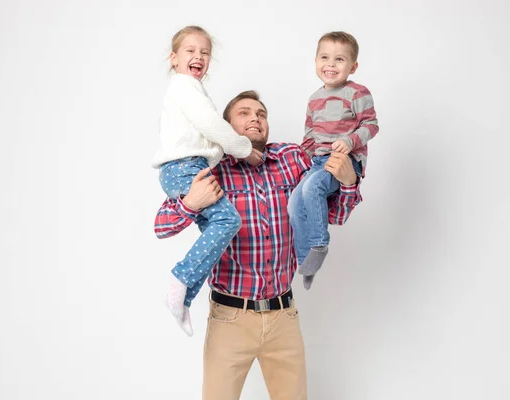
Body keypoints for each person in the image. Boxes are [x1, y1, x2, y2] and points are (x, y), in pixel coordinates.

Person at [154, 90, 362, 399]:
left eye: (261, 114)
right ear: (224, 127)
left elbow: (333, 215)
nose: (255, 118)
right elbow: (162, 227)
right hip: (230, 318)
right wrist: (190, 203)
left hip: (283, 316)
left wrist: (347, 183)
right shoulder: (211, 169)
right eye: (244, 113)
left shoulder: (292, 159)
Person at [152, 26, 261, 336]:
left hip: (188, 167)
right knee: (228, 220)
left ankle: (183, 297)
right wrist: (243, 148)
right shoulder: (184, 86)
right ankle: (179, 280)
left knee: (217, 231)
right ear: (174, 58)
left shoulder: (188, 89)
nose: (198, 56)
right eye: (190, 50)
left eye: (205, 53)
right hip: (185, 168)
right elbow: (213, 124)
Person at [288, 31, 379, 286]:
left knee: (313, 187)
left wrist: (349, 142)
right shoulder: (314, 99)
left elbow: (371, 125)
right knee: (295, 203)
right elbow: (309, 137)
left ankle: (319, 244)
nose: (330, 64)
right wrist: (302, 161)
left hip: (345, 158)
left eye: (339, 59)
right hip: (318, 162)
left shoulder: (357, 93)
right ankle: (306, 262)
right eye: (325, 57)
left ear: (353, 66)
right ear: (316, 61)